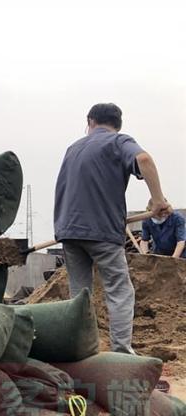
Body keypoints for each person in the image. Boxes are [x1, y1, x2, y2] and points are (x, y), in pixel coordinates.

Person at [54, 103, 171, 354]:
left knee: (80, 296)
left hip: (68, 230)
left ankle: (80, 350)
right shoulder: (118, 141)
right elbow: (144, 159)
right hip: (102, 230)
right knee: (119, 290)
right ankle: (121, 353)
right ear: (118, 124)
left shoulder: (72, 148)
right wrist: (159, 200)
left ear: (90, 121)